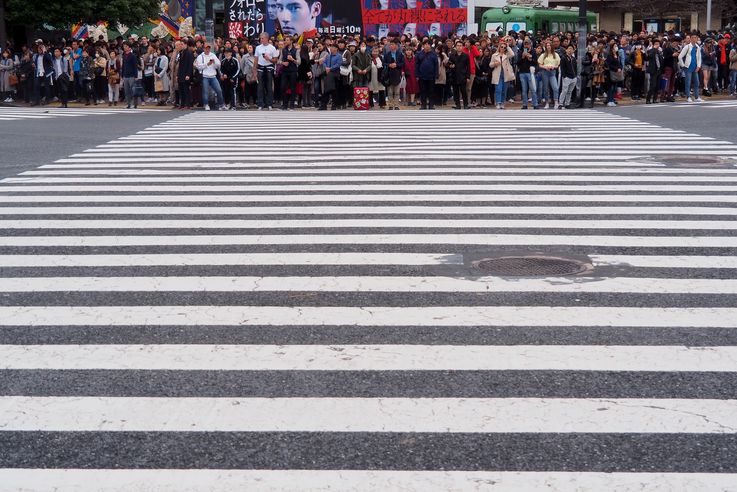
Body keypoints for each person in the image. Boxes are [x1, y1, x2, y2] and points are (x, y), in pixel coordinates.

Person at [195, 43, 224, 111]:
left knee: (219, 90)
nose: (207, 49)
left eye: (208, 48)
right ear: (203, 49)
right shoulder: (200, 56)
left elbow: (218, 65)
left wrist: (214, 62)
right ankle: (206, 104)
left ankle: (221, 104)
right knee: (205, 91)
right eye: (206, 48)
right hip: (205, 76)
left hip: (213, 76)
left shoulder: (213, 55)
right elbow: (198, 67)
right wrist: (207, 64)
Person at [255, 32, 279, 110]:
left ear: (266, 39)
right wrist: (254, 71)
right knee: (260, 87)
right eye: (260, 38)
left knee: (269, 86)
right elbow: (256, 59)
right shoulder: (258, 47)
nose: (261, 40)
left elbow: (275, 60)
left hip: (269, 67)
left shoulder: (272, 48)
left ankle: (269, 104)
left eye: (262, 38)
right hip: (260, 67)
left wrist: (269, 59)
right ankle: (260, 104)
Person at [490, 40, 514, 110]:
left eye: (504, 47)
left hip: (505, 74)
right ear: (499, 47)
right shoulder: (494, 55)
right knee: (498, 89)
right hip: (497, 74)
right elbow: (490, 65)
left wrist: (508, 46)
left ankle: (503, 103)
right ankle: (498, 102)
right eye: (501, 47)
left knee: (504, 89)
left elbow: (512, 54)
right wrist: (495, 64)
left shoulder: (506, 55)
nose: (503, 48)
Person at [678, 34, 702, 103]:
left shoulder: (698, 47)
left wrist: (698, 66)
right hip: (688, 67)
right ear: (690, 39)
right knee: (688, 82)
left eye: (696, 38)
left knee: (697, 82)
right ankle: (688, 97)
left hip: (695, 67)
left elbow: (699, 58)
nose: (694, 39)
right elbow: (680, 56)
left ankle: (696, 97)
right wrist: (683, 66)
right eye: (693, 38)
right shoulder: (687, 47)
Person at [415, 40, 438, 110]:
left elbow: (436, 65)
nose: (427, 46)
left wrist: (436, 75)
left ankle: (431, 105)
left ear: (430, 46)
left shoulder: (434, 54)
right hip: (422, 76)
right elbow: (416, 65)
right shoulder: (419, 54)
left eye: (428, 44)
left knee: (431, 91)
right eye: (425, 44)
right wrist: (417, 75)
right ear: (423, 45)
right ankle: (423, 105)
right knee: (423, 91)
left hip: (431, 76)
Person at [383, 39, 404, 110]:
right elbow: (384, 63)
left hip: (397, 74)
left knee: (397, 91)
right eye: (390, 45)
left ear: (396, 46)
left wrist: (396, 65)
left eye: (393, 44)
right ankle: (390, 105)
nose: (391, 46)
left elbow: (402, 63)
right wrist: (389, 65)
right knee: (390, 91)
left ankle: (396, 105)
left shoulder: (400, 54)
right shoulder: (387, 54)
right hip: (389, 74)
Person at [517, 38, 538, 110]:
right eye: (525, 44)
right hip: (522, 72)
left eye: (527, 44)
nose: (526, 45)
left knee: (532, 89)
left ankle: (535, 104)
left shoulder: (533, 52)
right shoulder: (520, 52)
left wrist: (530, 59)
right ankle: (525, 104)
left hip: (530, 72)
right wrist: (523, 57)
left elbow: (536, 62)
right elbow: (518, 63)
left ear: (530, 44)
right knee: (524, 89)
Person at [537, 41, 560, 109]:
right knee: (545, 88)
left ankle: (556, 102)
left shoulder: (556, 55)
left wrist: (554, 67)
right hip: (545, 72)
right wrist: (545, 67)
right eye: (547, 45)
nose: (548, 46)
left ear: (552, 46)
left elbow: (558, 65)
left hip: (552, 71)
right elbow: (540, 64)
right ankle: (547, 102)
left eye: (549, 45)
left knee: (555, 87)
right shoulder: (543, 55)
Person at [320, 42, 342, 110]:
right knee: (327, 90)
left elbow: (338, 64)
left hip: (335, 74)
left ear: (336, 48)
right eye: (330, 47)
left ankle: (334, 105)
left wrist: (330, 68)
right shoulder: (328, 55)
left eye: (332, 47)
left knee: (334, 90)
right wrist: (326, 68)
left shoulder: (339, 56)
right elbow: (324, 62)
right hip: (328, 74)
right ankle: (324, 105)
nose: (331, 48)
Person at [448, 40, 470, 110]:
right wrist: (450, 66)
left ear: (462, 47)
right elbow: (449, 64)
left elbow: (468, 67)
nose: (459, 47)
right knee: (455, 91)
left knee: (464, 91)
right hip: (454, 76)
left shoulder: (466, 56)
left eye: (460, 46)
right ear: (455, 46)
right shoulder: (452, 55)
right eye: (458, 46)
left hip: (463, 76)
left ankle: (465, 104)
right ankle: (457, 104)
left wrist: (468, 77)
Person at [280, 36, 300, 110]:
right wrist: (283, 63)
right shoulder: (283, 50)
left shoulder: (296, 50)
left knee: (293, 88)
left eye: (287, 40)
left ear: (291, 41)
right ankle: (285, 104)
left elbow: (299, 62)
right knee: (283, 87)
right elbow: (279, 61)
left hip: (293, 71)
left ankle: (292, 104)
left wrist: (293, 59)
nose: (286, 41)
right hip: (285, 71)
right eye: (285, 40)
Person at [121, 42, 140, 109]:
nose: (124, 47)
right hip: (125, 75)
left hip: (132, 75)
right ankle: (128, 103)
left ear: (129, 47)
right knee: (126, 91)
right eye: (124, 46)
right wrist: (122, 75)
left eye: (126, 46)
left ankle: (134, 104)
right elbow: (123, 66)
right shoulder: (124, 55)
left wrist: (136, 76)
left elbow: (135, 66)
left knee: (132, 90)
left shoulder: (133, 56)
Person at [558, 44, 577, 109]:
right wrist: (564, 76)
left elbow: (575, 68)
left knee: (569, 91)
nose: (570, 50)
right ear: (566, 50)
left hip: (573, 77)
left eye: (571, 49)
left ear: (573, 50)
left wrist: (576, 76)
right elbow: (562, 68)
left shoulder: (574, 58)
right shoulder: (563, 58)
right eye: (569, 48)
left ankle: (567, 103)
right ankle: (560, 103)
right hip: (567, 77)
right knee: (564, 91)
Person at [177, 40, 194, 110]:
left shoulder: (189, 53)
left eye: (182, 44)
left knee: (186, 90)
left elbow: (190, 65)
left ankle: (188, 104)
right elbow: (180, 65)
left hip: (186, 74)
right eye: (180, 44)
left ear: (186, 44)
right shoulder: (181, 52)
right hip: (181, 73)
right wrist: (177, 74)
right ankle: (182, 104)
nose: (181, 45)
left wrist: (188, 75)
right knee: (181, 90)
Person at [645, 39, 664, 104]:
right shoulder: (650, 51)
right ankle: (648, 99)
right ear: (653, 45)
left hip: (659, 70)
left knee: (657, 86)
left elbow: (661, 60)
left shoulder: (659, 51)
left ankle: (655, 99)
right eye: (656, 44)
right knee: (653, 85)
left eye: (658, 44)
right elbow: (648, 57)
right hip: (653, 70)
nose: (657, 45)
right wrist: (654, 49)